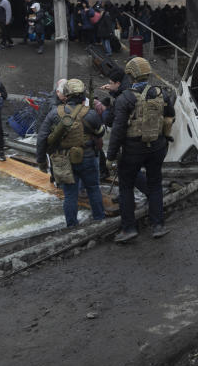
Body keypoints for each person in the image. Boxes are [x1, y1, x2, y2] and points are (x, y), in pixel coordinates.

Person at [107, 57, 175, 242]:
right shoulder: (162, 94)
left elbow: (118, 129)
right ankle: (158, 225)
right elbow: (170, 117)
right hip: (157, 147)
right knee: (154, 185)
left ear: (130, 75)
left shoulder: (125, 98)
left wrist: (111, 155)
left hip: (132, 150)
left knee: (126, 187)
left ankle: (129, 228)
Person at [35, 79, 107, 227]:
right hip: (88, 157)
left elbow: (42, 138)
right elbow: (100, 133)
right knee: (93, 189)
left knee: (70, 196)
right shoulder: (91, 114)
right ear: (82, 95)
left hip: (64, 160)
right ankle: (100, 220)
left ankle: (72, 227)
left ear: (66, 95)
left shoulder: (54, 113)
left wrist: (42, 161)